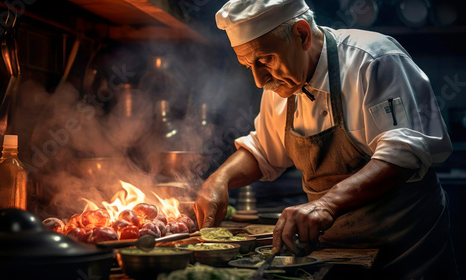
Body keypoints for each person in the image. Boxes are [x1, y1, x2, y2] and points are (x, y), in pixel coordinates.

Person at [193, 0, 459, 279]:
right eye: (249, 66)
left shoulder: (373, 59)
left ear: (302, 34)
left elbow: (403, 154)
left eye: (265, 60)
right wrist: (218, 179)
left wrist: (325, 204)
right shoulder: (280, 84)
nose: (259, 81)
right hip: (334, 252)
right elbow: (263, 150)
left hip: (408, 253)